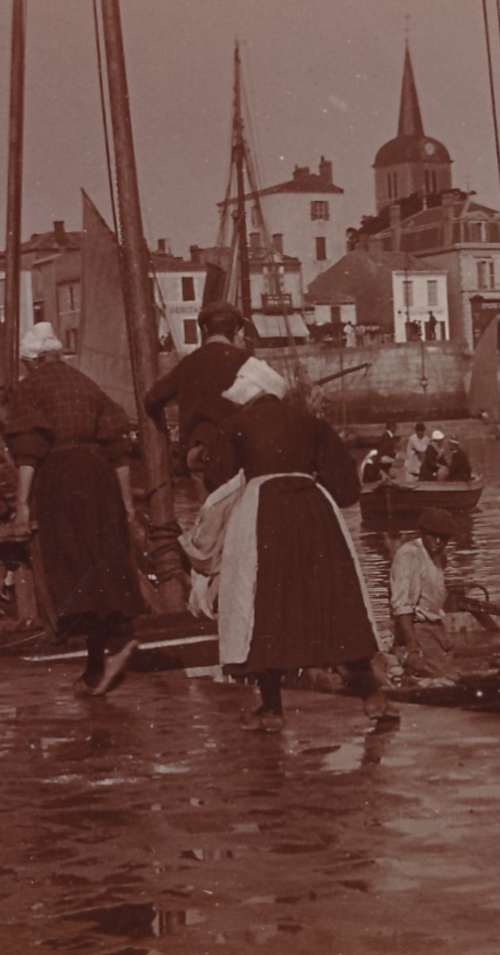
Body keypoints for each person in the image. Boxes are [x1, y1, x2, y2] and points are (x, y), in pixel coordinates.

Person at [202, 356, 394, 731]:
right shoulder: (312, 423)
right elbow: (346, 488)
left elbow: (216, 476)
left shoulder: (234, 425)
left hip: (263, 514)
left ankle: (272, 710)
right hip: (314, 510)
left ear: (249, 395)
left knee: (262, 603)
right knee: (336, 599)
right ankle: (373, 696)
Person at [7, 321, 144, 697]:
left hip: (62, 478)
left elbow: (28, 452)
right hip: (99, 476)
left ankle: (104, 655)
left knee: (71, 566)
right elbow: (119, 446)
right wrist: (128, 505)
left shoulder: (30, 387)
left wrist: (21, 505)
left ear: (32, 361)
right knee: (102, 562)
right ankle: (100, 659)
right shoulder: (86, 383)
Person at [143, 300, 251, 491]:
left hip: (200, 451)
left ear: (205, 330)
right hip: (236, 452)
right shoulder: (245, 361)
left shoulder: (188, 363)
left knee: (209, 513)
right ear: (234, 331)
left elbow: (152, 399)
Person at [389, 508, 463, 682]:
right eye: (433, 536)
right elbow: (402, 605)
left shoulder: (440, 556)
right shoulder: (409, 555)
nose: (438, 542)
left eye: (444, 538)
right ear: (422, 533)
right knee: (448, 676)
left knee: (459, 667)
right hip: (418, 629)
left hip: (437, 626)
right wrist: (412, 643)